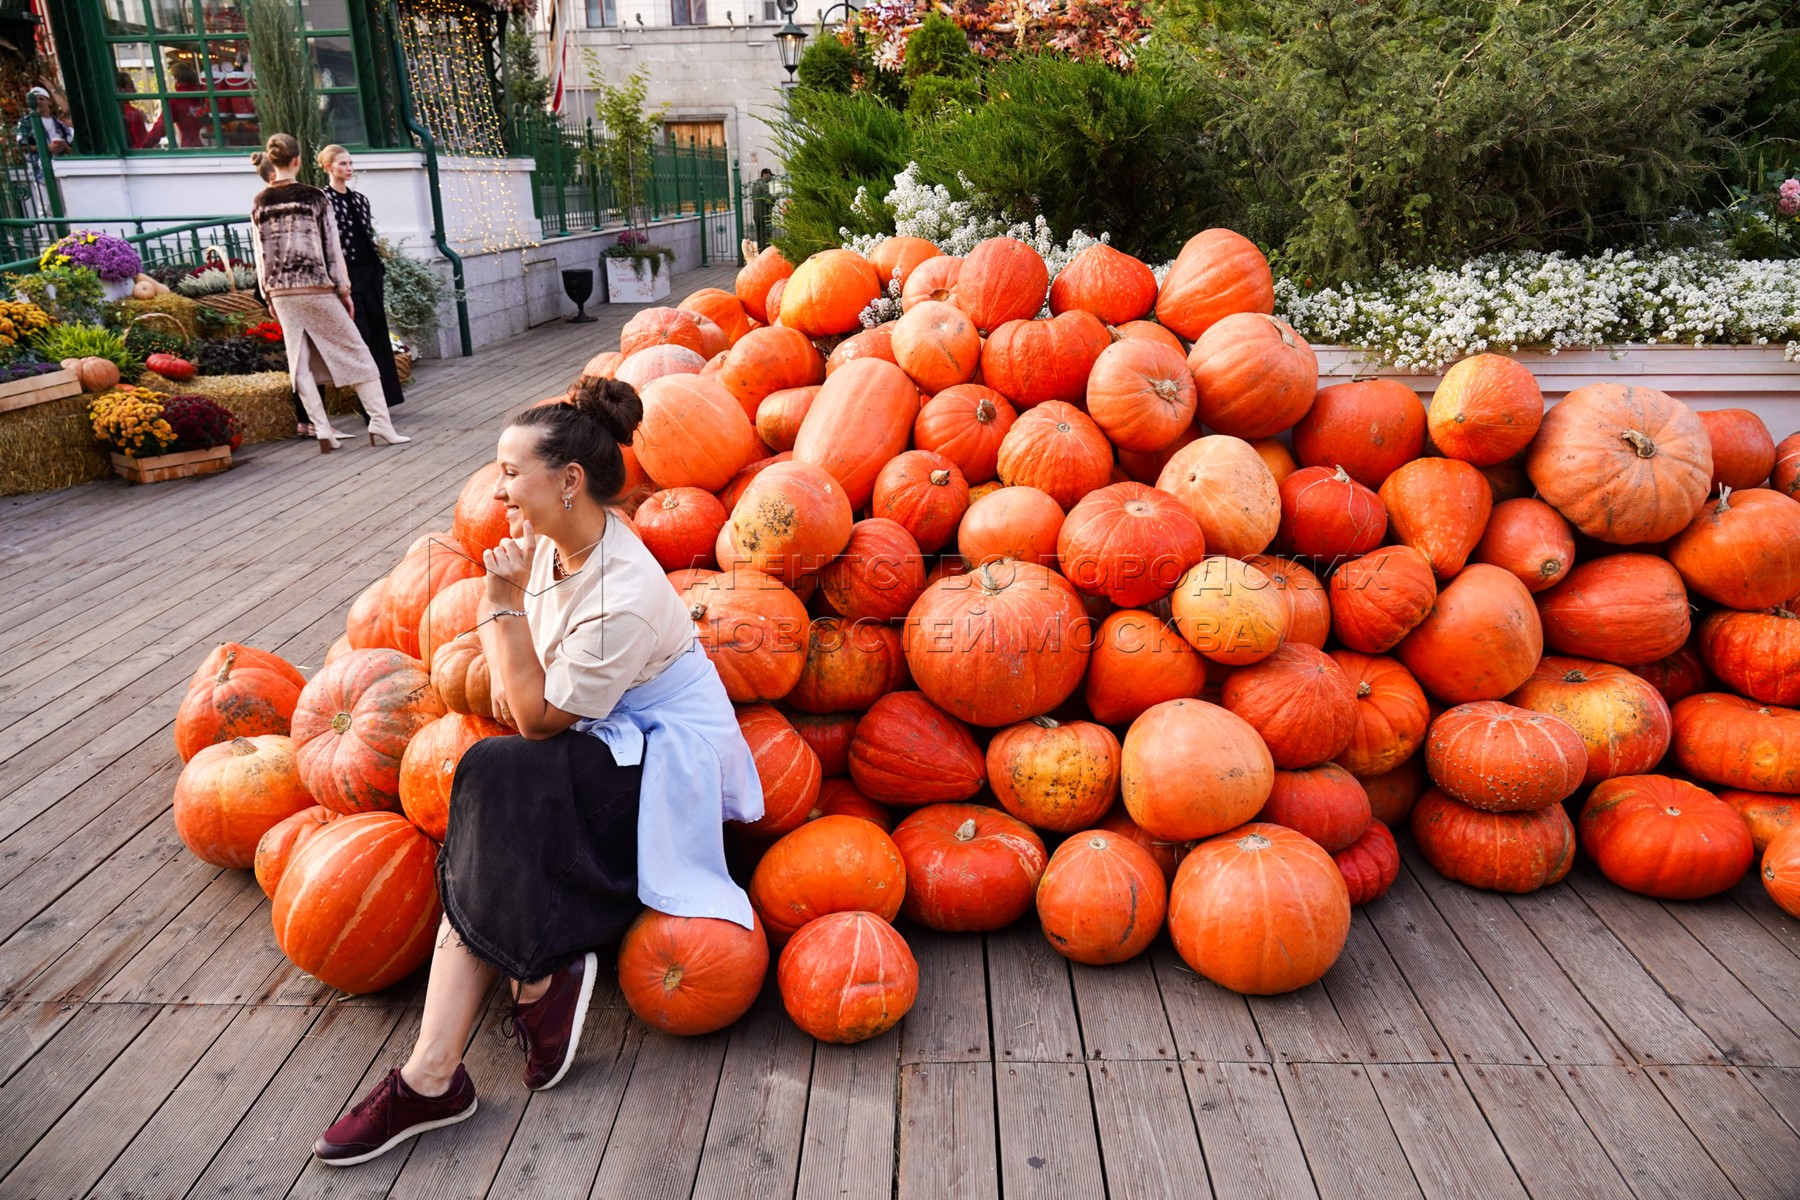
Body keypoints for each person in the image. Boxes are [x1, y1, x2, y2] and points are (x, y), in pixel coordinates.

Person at [311, 378, 764, 1166]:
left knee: (499, 768)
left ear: (569, 480)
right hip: (604, 743)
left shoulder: (621, 591)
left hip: (661, 772)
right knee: (492, 783)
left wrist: (499, 601)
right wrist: (513, 623)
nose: (499, 489)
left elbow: (535, 717)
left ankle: (498, 1016)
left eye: (511, 471)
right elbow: (535, 698)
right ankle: (461, 1048)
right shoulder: (560, 543)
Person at [248, 132, 410, 452]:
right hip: (315, 285)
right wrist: (344, 290)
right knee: (359, 354)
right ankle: (380, 423)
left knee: (300, 361)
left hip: (280, 291)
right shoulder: (313, 197)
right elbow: (331, 249)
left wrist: (268, 295)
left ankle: (322, 429)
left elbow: (259, 252)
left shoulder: (260, 201)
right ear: (297, 161)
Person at [319, 144, 406, 416]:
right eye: (342, 164)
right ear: (328, 167)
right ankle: (368, 406)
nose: (348, 168)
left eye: (350, 163)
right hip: (347, 275)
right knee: (361, 335)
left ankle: (385, 399)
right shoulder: (323, 200)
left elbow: (366, 234)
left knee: (379, 332)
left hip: (370, 272)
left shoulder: (360, 199)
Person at [16, 87, 72, 156]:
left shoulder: (60, 124)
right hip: (38, 162)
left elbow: (72, 151)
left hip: (60, 161)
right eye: (34, 99)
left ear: (49, 102)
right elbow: (20, 148)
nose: (38, 101)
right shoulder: (26, 122)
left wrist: (64, 146)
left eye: (41, 99)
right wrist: (46, 148)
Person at [117, 72, 164, 150]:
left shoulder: (113, 111)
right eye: (131, 86)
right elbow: (142, 144)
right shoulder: (133, 114)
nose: (135, 91)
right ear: (121, 90)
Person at [750, 167, 773, 249]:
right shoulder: (764, 185)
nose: (770, 178)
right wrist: (776, 196)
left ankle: (760, 251)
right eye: (770, 175)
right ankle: (765, 252)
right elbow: (768, 199)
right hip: (764, 214)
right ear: (765, 175)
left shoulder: (755, 185)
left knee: (759, 235)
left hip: (756, 214)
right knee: (765, 236)